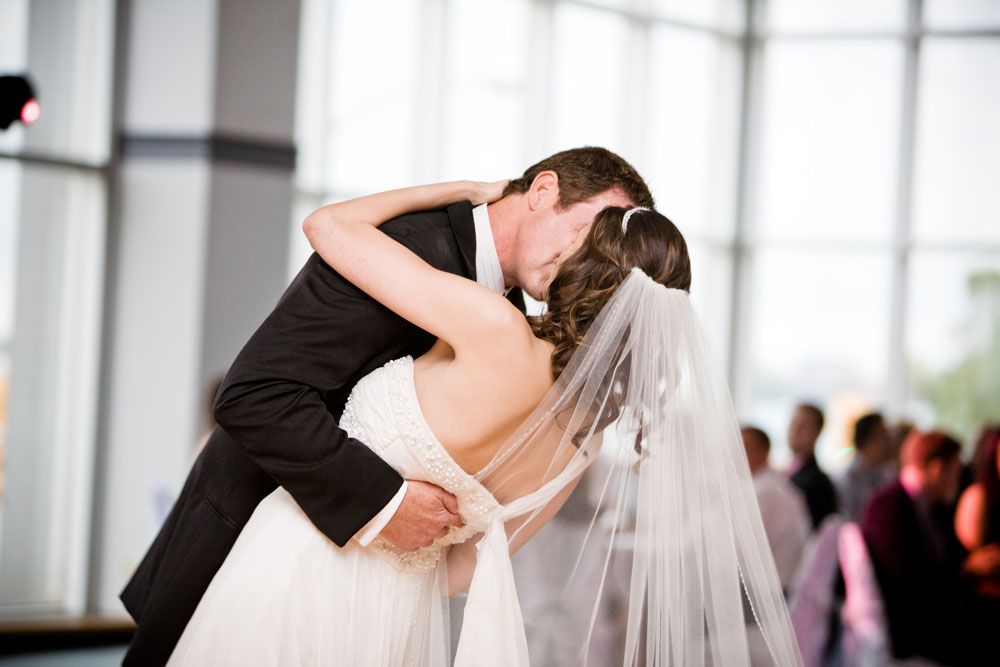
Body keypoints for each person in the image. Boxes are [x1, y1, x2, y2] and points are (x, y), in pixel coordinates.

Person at [165, 181, 802, 665]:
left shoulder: (493, 329)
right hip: (399, 618)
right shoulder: (585, 439)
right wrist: (395, 566)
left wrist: (465, 191)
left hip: (297, 564)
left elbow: (328, 223)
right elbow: (470, 565)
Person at [120, 147, 655, 666]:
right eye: (590, 232)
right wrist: (387, 504)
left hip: (376, 612)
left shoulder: (523, 330)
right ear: (542, 191)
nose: (587, 260)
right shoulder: (411, 244)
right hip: (245, 555)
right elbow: (257, 395)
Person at [860, 430, 969, 664]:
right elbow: (904, 581)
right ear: (937, 468)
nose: (958, 481)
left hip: (927, 619)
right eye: (955, 471)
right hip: (907, 630)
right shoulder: (887, 506)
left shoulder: (928, 505)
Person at [741, 426, 810, 594]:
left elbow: (736, 549)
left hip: (767, 591)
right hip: (780, 583)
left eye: (744, 448)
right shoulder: (773, 484)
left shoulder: (763, 491)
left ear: (763, 452)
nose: (736, 454)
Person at [787, 403, 839, 530]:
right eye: (794, 422)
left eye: (803, 425)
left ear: (817, 432)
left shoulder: (818, 482)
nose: (795, 429)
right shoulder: (788, 472)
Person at [838, 412, 893, 521]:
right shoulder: (849, 479)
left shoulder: (885, 474)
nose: (889, 443)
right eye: (884, 436)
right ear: (868, 440)